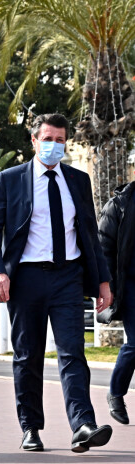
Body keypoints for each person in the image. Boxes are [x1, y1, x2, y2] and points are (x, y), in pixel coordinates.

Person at [0, 113, 114, 453]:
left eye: (60, 140)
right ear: (34, 140)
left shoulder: (78, 180)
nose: (54, 145)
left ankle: (82, 424)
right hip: (25, 279)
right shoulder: (10, 180)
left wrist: (102, 281)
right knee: (28, 356)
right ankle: (30, 427)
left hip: (68, 277)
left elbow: (89, 234)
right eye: (48, 138)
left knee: (73, 353)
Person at [98, 178, 135, 424]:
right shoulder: (120, 203)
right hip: (131, 285)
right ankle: (116, 393)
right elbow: (103, 247)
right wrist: (107, 285)